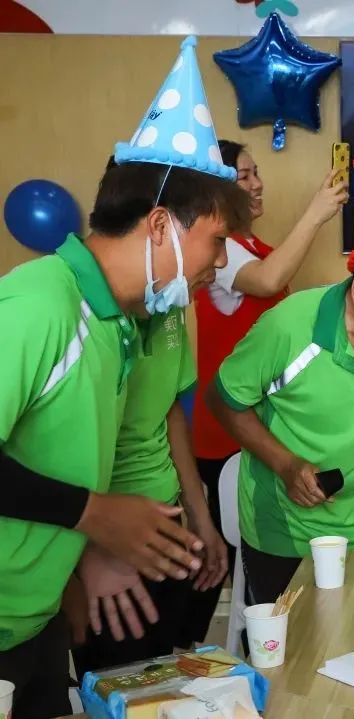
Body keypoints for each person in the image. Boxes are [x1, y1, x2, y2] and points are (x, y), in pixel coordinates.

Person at [0, 36, 248, 717]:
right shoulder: (39, 304)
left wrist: (75, 564)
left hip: (36, 620)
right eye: (217, 241)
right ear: (162, 224)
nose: (219, 262)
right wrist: (94, 518)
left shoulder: (119, 324)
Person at [207, 161, 354, 605]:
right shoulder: (290, 326)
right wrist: (286, 465)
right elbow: (223, 399)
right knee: (295, 646)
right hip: (286, 535)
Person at [185, 139, 346, 646]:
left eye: (256, 173)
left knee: (240, 554)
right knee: (225, 556)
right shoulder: (223, 251)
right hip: (228, 426)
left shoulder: (249, 245)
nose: (255, 185)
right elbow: (271, 280)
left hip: (262, 424)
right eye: (243, 176)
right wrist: (317, 213)